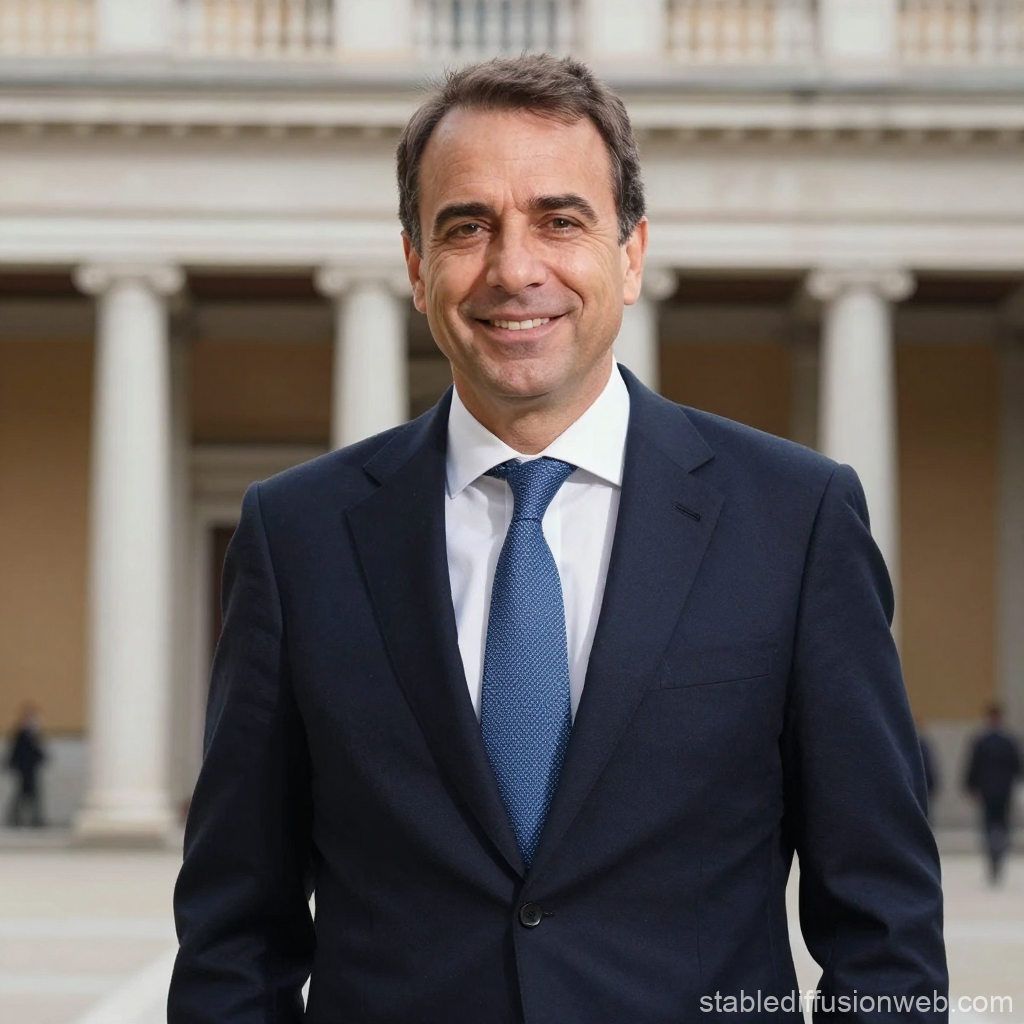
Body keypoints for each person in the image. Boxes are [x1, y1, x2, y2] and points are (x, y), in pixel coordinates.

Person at [169, 55, 946, 1023]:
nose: (513, 267)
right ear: (416, 266)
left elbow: (885, 933)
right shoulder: (297, 538)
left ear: (631, 253)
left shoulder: (794, 522)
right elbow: (233, 936)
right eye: (466, 227)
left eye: (558, 218)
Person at [965, 704, 1022, 884]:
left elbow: (973, 767)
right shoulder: (1007, 741)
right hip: (1001, 790)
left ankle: (994, 856)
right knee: (999, 825)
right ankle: (997, 856)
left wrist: (971, 786)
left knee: (992, 825)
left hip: (990, 790)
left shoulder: (983, 741)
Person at [5, 702, 47, 828]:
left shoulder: (32, 734)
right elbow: (18, 751)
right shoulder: (22, 734)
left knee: (28, 794)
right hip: (24, 769)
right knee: (24, 794)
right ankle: (18, 818)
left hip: (30, 769)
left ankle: (31, 819)